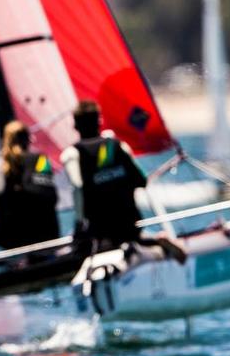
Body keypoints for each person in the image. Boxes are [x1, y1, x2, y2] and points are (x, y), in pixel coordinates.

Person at [60, 100, 186, 262]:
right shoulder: (119, 146)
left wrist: (79, 223)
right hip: (129, 221)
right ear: (99, 122)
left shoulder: (72, 153)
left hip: (100, 227)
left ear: (75, 126)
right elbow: (141, 180)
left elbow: (78, 187)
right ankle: (153, 240)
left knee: (82, 245)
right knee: (132, 235)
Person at [0, 120, 60, 262]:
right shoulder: (42, 159)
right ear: (28, 139)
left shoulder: (0, 164)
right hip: (47, 234)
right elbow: (52, 197)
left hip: (14, 236)